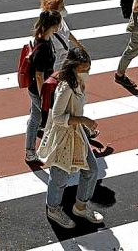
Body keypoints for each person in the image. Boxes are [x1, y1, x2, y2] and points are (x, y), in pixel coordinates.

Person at [38, 48, 103, 229]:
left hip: (77, 133)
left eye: (88, 69)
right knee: (59, 177)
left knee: (91, 170)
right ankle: (53, 209)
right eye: (83, 69)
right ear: (73, 68)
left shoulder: (78, 83)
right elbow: (58, 117)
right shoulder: (65, 86)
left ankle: (80, 206)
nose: (87, 73)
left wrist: (84, 127)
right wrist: (83, 120)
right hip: (63, 136)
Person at [25, 10, 61, 163]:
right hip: (41, 90)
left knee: (34, 119)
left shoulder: (41, 39)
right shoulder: (44, 47)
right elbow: (39, 75)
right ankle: (36, 151)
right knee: (48, 120)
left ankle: (30, 152)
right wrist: (43, 97)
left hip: (36, 88)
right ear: (53, 26)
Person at [40, 0, 87, 70]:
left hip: (64, 60)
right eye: (61, 7)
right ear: (54, 11)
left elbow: (67, 32)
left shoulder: (60, 19)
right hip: (55, 66)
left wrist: (78, 44)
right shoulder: (48, 30)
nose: (64, 9)